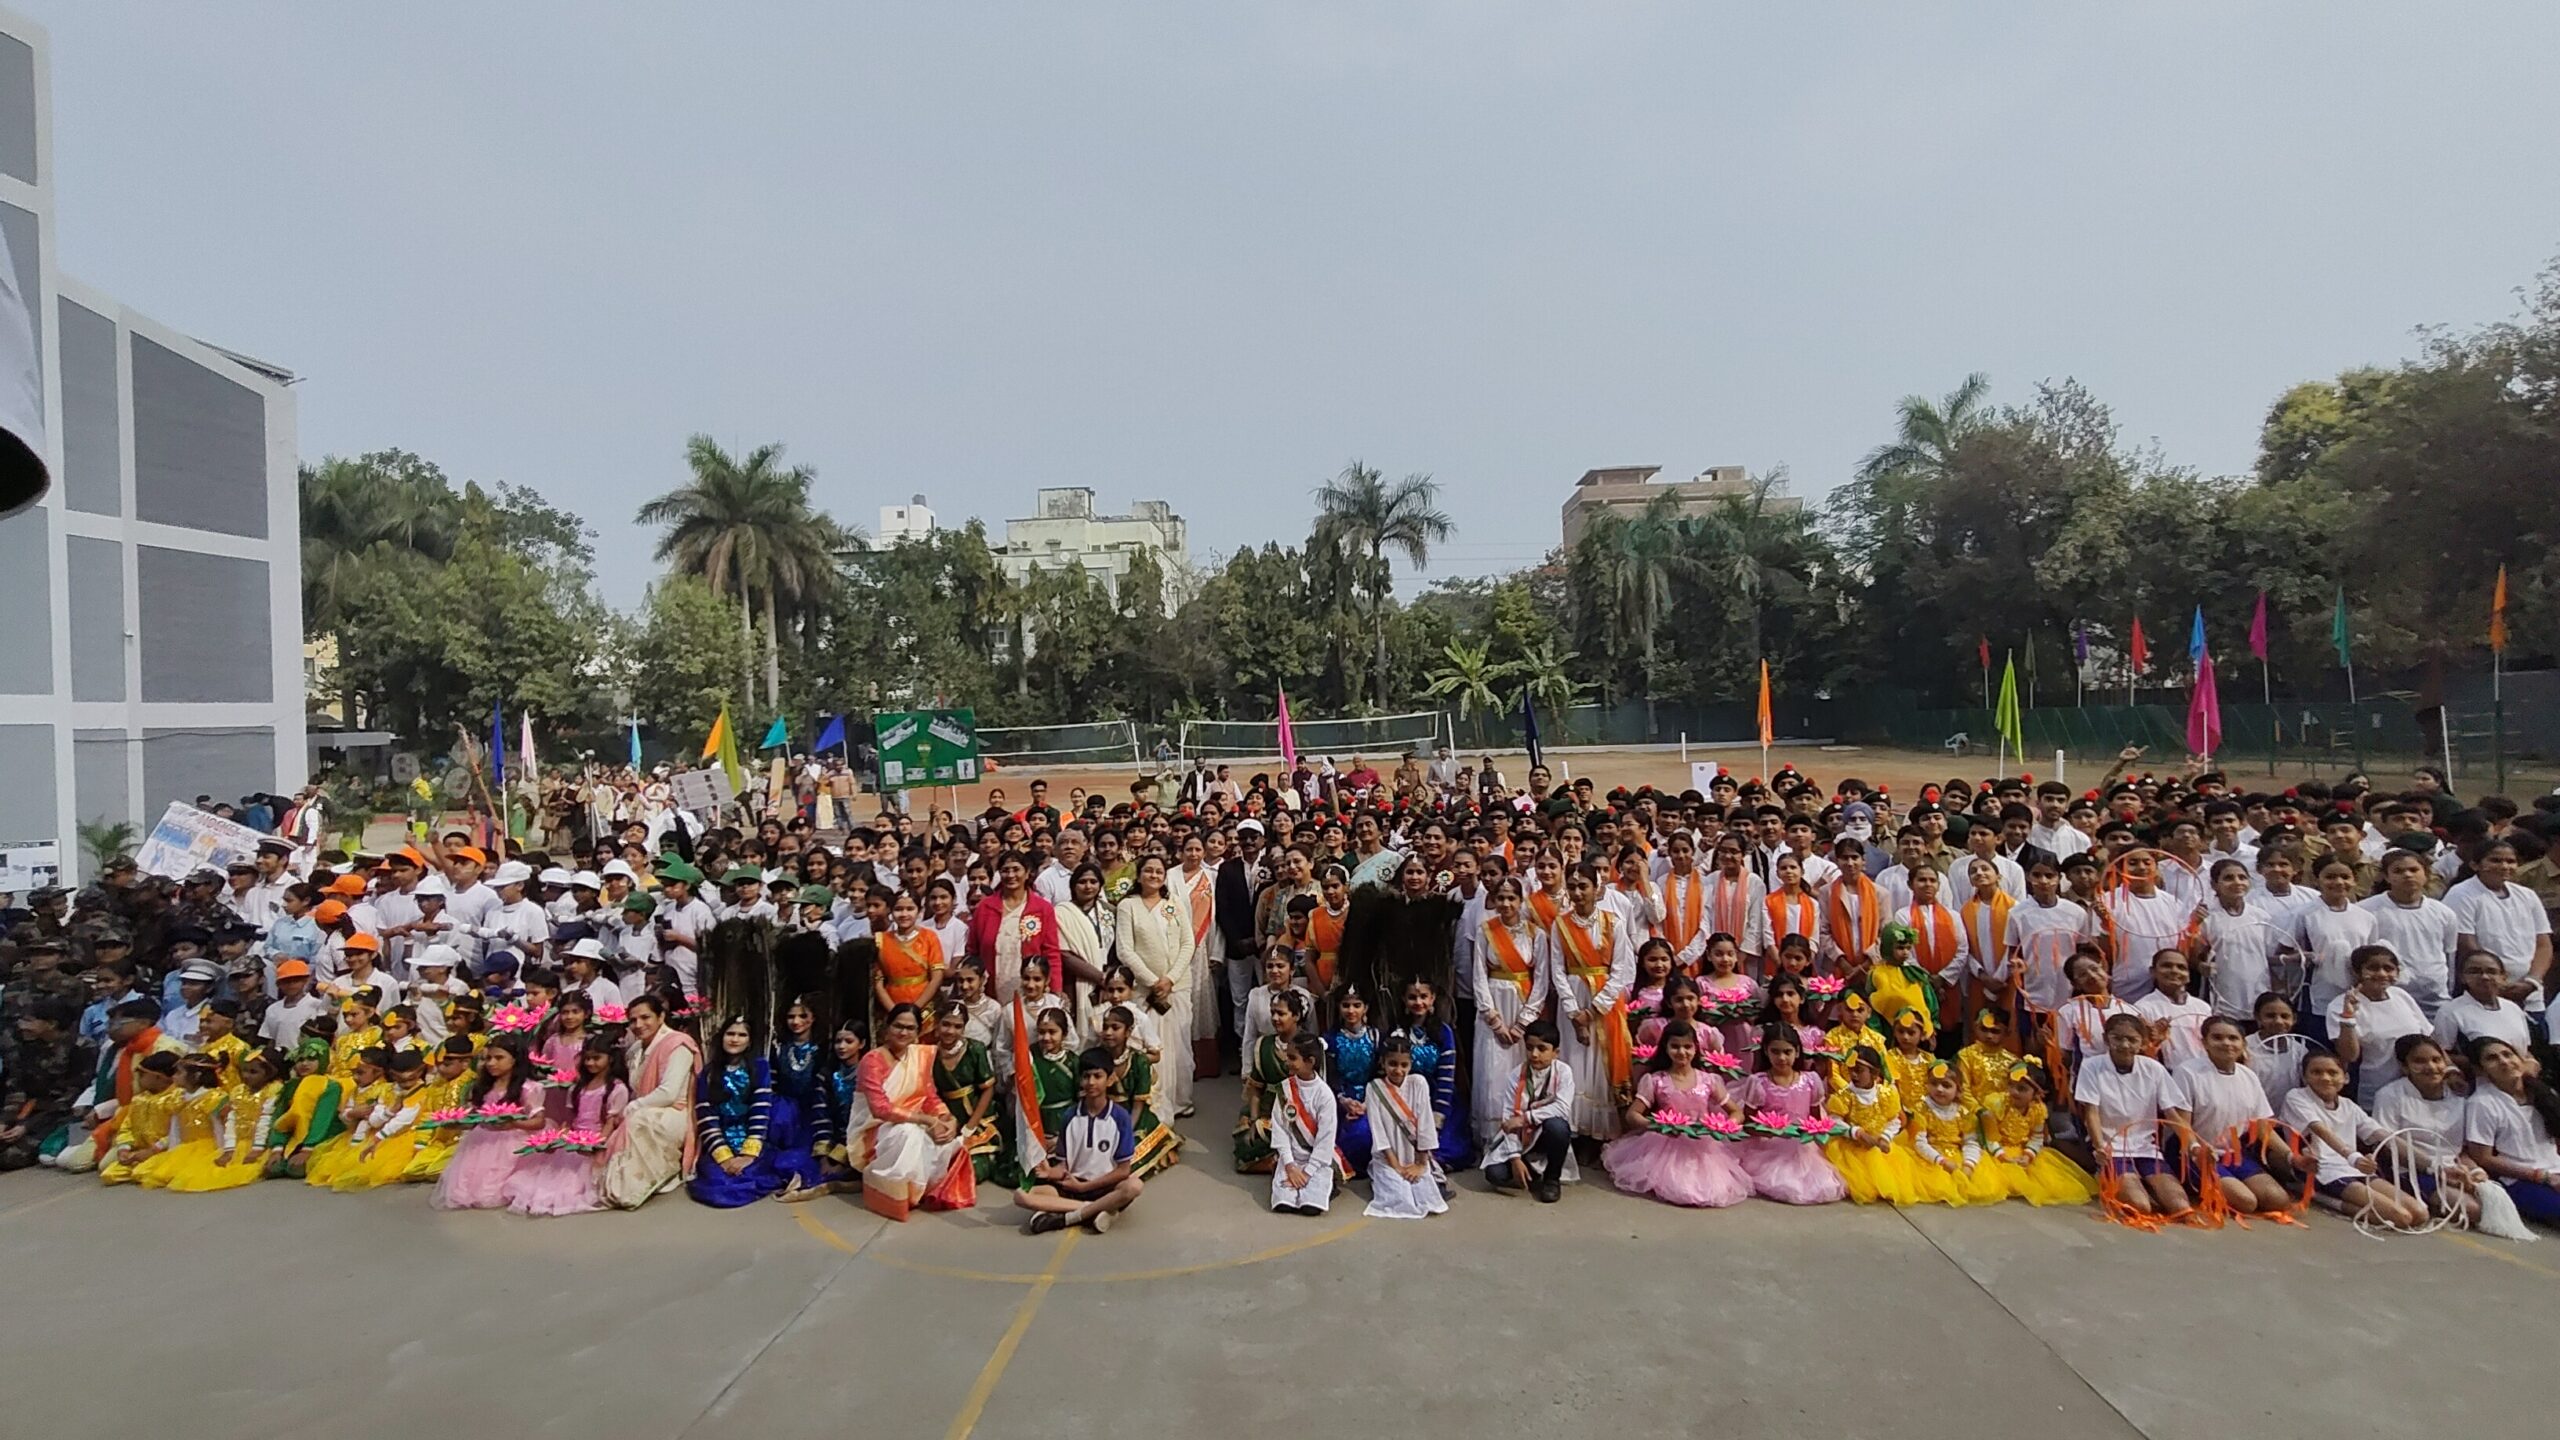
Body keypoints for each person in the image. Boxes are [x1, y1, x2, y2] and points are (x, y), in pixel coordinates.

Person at [1604, 1019, 1752, 1208]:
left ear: (1696, 1048)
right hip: (1664, 1146)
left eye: (1687, 1047)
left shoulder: (1709, 1080)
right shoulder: (1656, 1080)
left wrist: (1725, 1125)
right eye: (1675, 1046)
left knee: (1712, 1189)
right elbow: (1633, 1115)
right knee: (1675, 1186)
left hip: (1703, 1145)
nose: (1682, 1052)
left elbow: (1736, 1112)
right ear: (1665, 1048)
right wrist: (1655, 1126)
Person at [847, 1003, 973, 1218]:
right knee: (909, 1134)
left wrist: (947, 1118)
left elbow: (929, 1095)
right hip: (874, 1131)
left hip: (912, 1121)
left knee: (948, 1141)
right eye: (898, 1026)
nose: (903, 1033)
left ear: (918, 1032)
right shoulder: (873, 1060)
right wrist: (927, 1120)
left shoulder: (918, 1056)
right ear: (886, 1027)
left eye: (910, 1028)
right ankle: (894, 1194)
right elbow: (880, 1109)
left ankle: (918, 1189)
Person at [1544, 863, 1634, 1146]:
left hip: (1604, 1003)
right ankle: (1575, 1133)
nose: (1578, 893)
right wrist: (1575, 1013)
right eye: (1572, 887)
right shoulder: (1560, 925)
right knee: (1574, 1061)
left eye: (1584, 886)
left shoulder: (1613, 922)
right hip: (1571, 1001)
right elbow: (1557, 970)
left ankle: (1600, 1137)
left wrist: (1594, 1009)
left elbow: (1620, 970)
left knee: (1600, 1066)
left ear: (1597, 889)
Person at [2283, 1052, 2426, 1226]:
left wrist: (2435, 1165)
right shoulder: (2296, 1097)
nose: (2325, 1078)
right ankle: (2325, 1199)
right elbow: (2320, 1130)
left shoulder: (2349, 1106)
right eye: (2316, 1072)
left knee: (2420, 1213)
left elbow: (2383, 1135)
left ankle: (2325, 1196)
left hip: (2353, 1167)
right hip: (2322, 1169)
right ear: (2305, 1077)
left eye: (2332, 1072)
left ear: (2346, 1078)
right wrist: (2353, 1157)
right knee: (2401, 1217)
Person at [2077, 1012, 2194, 1220]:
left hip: (2145, 1147)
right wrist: (2099, 1146)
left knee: (2180, 1206)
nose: (2124, 1045)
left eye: (2132, 1040)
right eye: (2117, 1038)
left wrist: (2194, 1145)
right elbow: (2091, 1112)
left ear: (2143, 1042)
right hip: (2111, 1148)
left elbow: (2171, 1113)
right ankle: (2108, 1176)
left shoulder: (2153, 1068)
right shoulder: (2091, 1066)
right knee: (2140, 1206)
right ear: (2106, 1039)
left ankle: (2146, 1185)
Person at [1017, 1048, 1146, 1235]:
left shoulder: (1120, 1117)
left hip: (1105, 1187)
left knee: (1134, 1186)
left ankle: (1069, 1217)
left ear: (1110, 1079)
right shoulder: (1069, 1116)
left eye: (1097, 1076)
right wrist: (1050, 1172)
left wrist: (1085, 1186)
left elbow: (1123, 1170)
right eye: (1086, 1076)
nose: (1091, 1082)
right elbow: (1064, 1165)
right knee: (1021, 1195)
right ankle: (1096, 1210)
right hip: (1072, 1186)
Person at [2178, 1015, 2295, 1217]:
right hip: (2196, 1154)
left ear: (2243, 1044)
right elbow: (2181, 1124)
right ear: (2204, 1042)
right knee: (2246, 1202)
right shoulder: (2187, 1072)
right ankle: (2193, 1181)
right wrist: (2197, 1150)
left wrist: (2292, 1157)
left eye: (2233, 1038)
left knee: (2277, 1200)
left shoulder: (2248, 1075)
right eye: (2217, 1038)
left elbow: (2262, 1127)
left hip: (2233, 1153)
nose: (2226, 1043)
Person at [602, 992, 703, 1208]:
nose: (638, 1025)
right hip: (645, 1109)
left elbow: (668, 1093)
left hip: (676, 1112)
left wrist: (633, 1107)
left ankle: (634, 1188)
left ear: (661, 1016)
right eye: (633, 1020)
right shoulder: (635, 1050)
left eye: (645, 1017)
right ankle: (620, 1184)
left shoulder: (678, 1044)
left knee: (638, 1121)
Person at [507, 1038, 629, 1216]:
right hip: (573, 1139)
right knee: (551, 1177)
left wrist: (598, 1143)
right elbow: (570, 1118)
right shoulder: (578, 1087)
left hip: (596, 1139)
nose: (590, 1063)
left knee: (573, 1183)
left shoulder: (617, 1089)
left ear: (610, 1058)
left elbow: (611, 1122)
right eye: (587, 1058)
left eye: (596, 1058)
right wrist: (560, 1137)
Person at [1116, 854, 1196, 1118]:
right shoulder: (1128, 906)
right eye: (1148, 871)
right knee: (1151, 1046)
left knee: (1180, 1048)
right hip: (1145, 991)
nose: (1153, 875)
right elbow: (1125, 950)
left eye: (1159, 871)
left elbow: (1188, 943)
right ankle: (1155, 1107)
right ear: (1139, 875)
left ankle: (1181, 1101)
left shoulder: (1173, 903)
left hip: (1177, 987)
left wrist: (1170, 978)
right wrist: (1153, 982)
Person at [1471, 878, 1547, 1151]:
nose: (1506, 904)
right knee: (1492, 1074)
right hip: (1493, 1008)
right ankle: (1493, 1139)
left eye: (1511, 898)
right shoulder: (1485, 931)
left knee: (1521, 1073)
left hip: (1522, 1008)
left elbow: (1541, 980)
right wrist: (1493, 1019)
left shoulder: (1536, 934)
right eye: (1501, 898)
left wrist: (1523, 1023)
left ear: (1520, 900)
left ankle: (1522, 1137)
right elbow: (1479, 975)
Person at [433, 1038, 548, 1209]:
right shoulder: (484, 1086)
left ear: (515, 1059)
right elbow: (476, 1118)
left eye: (499, 1058)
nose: (491, 1063)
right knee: (464, 1189)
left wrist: (514, 1124)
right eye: (488, 1058)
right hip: (482, 1139)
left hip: (512, 1140)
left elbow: (539, 1121)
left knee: (492, 1191)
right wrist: (456, 1124)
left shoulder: (529, 1088)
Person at [1736, 1025, 1845, 1204]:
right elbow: (1748, 1125)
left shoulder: (1811, 1081)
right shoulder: (1759, 1082)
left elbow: (1815, 1120)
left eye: (1787, 1052)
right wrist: (1769, 1132)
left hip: (1803, 1146)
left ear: (1797, 1052)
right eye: (1775, 1052)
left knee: (1824, 1186)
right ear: (1766, 1051)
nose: (1782, 1058)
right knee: (1783, 1183)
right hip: (1769, 1147)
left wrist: (1813, 1137)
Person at [2461, 1036, 2560, 1225]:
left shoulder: (2543, 1093)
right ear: (2480, 1069)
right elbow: (2483, 1158)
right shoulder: (2482, 1103)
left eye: (2508, 1054)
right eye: (2492, 1058)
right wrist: (2542, 1176)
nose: (2504, 1062)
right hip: (2520, 1181)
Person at [690, 1017, 788, 1208]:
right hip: (720, 1142)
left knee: (748, 1175)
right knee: (716, 1184)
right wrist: (724, 1157)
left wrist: (748, 1155)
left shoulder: (760, 1067)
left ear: (749, 1041)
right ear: (722, 1037)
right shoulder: (708, 1073)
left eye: (741, 1035)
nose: (735, 1039)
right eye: (730, 1034)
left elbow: (761, 1109)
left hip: (753, 1142)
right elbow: (706, 1117)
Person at [1483, 1020, 1577, 1202]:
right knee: (1494, 1174)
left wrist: (1526, 1118)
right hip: (1522, 1140)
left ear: (1555, 1052)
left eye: (1542, 1049)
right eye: (1529, 1048)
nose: (1534, 1054)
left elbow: (1562, 1107)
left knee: (1558, 1126)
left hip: (1546, 1136)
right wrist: (1515, 1158)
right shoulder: (1516, 1075)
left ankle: (1551, 1179)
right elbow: (1509, 1121)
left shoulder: (1564, 1072)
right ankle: (1529, 1171)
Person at [1977, 1062, 2095, 1206]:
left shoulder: (2038, 1110)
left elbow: (2037, 1137)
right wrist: (2003, 1157)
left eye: (2022, 1089)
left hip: (2022, 1149)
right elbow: (1990, 1138)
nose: (2014, 1092)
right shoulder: (1996, 1104)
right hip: (1997, 1150)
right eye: (2011, 1085)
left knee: (2051, 1181)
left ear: (2036, 1093)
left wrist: (2028, 1155)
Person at [2328, 944, 2430, 1107]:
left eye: (2388, 969)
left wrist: (2451, 1070)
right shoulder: (2339, 1005)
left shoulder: (2401, 996)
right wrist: (2348, 1016)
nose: (2382, 974)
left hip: (2419, 1086)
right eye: (2373, 968)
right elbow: (2349, 1056)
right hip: (2375, 1089)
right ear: (2357, 972)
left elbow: (2428, 1039)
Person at [1363, 1035, 1448, 1219]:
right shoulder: (1374, 1088)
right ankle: (1381, 1178)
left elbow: (1425, 1125)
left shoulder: (1419, 1083)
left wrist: (1420, 1164)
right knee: (1401, 1198)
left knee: (1427, 1198)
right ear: (1383, 1063)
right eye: (1392, 1064)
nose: (1398, 1070)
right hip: (1388, 1158)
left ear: (1411, 1065)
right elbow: (1379, 1134)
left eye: (1404, 1065)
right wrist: (1397, 1168)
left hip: (1416, 1156)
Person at [931, 1001, 1014, 1187]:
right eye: (946, 1024)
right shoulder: (929, 1053)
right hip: (945, 1117)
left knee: (973, 1170)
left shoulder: (975, 1049)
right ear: (937, 1023)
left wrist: (970, 1126)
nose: (951, 1031)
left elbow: (988, 1089)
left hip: (978, 1118)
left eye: (957, 1026)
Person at [1825, 1046, 1915, 1204]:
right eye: (1851, 1069)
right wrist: (1856, 1133)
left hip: (1879, 1143)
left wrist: (1885, 1137)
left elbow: (1894, 1120)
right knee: (1858, 1182)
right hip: (1853, 1147)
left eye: (1859, 1070)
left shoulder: (1886, 1093)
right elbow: (1834, 1121)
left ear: (1874, 1073)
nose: (1853, 1075)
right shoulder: (1844, 1096)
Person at [1268, 1033, 1339, 1215]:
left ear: (1310, 1061)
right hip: (1291, 1158)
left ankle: (1328, 1185)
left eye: (1293, 1058)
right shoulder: (1284, 1089)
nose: (1287, 1062)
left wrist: (1307, 1173)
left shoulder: (1324, 1095)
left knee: (1310, 1208)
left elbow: (1325, 1138)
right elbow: (1280, 1129)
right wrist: (1290, 1166)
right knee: (1284, 1204)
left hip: (1316, 1161)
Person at [1234, 988, 1304, 1173]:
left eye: (1281, 1014)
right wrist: (1255, 1121)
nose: (1275, 1018)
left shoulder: (1309, 1045)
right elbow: (1256, 1088)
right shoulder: (1264, 1045)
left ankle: (1280, 1159)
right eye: (1272, 1013)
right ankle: (1278, 1159)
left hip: (1300, 1111)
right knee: (1247, 1145)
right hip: (1269, 1110)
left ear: (1296, 1016)